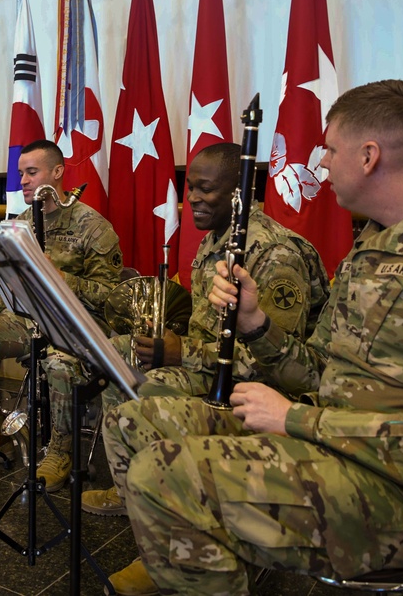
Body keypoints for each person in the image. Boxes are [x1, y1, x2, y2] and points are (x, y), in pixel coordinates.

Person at [101, 79, 403, 596]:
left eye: (331, 150)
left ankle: (198, 557)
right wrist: (255, 324)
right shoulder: (373, 247)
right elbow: (320, 372)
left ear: (368, 156)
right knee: (131, 421)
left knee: (164, 477)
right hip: (335, 447)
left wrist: (294, 418)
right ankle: (196, 563)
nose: (323, 164)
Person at [81, 142, 330, 516]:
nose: (193, 198)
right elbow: (205, 325)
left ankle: (164, 502)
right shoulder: (216, 238)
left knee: (139, 385)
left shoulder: (274, 253)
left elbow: (279, 364)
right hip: (210, 367)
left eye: (206, 189)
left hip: (255, 387)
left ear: (238, 194)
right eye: (190, 189)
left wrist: (181, 352)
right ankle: (134, 489)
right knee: (116, 353)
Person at [0, 139, 122, 491]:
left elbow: (112, 299)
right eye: (21, 173)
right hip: (30, 319)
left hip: (78, 323)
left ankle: (60, 451)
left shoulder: (92, 226)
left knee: (59, 363)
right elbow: (9, 286)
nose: (23, 180)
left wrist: (62, 278)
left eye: (32, 172)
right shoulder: (20, 224)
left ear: (57, 173)